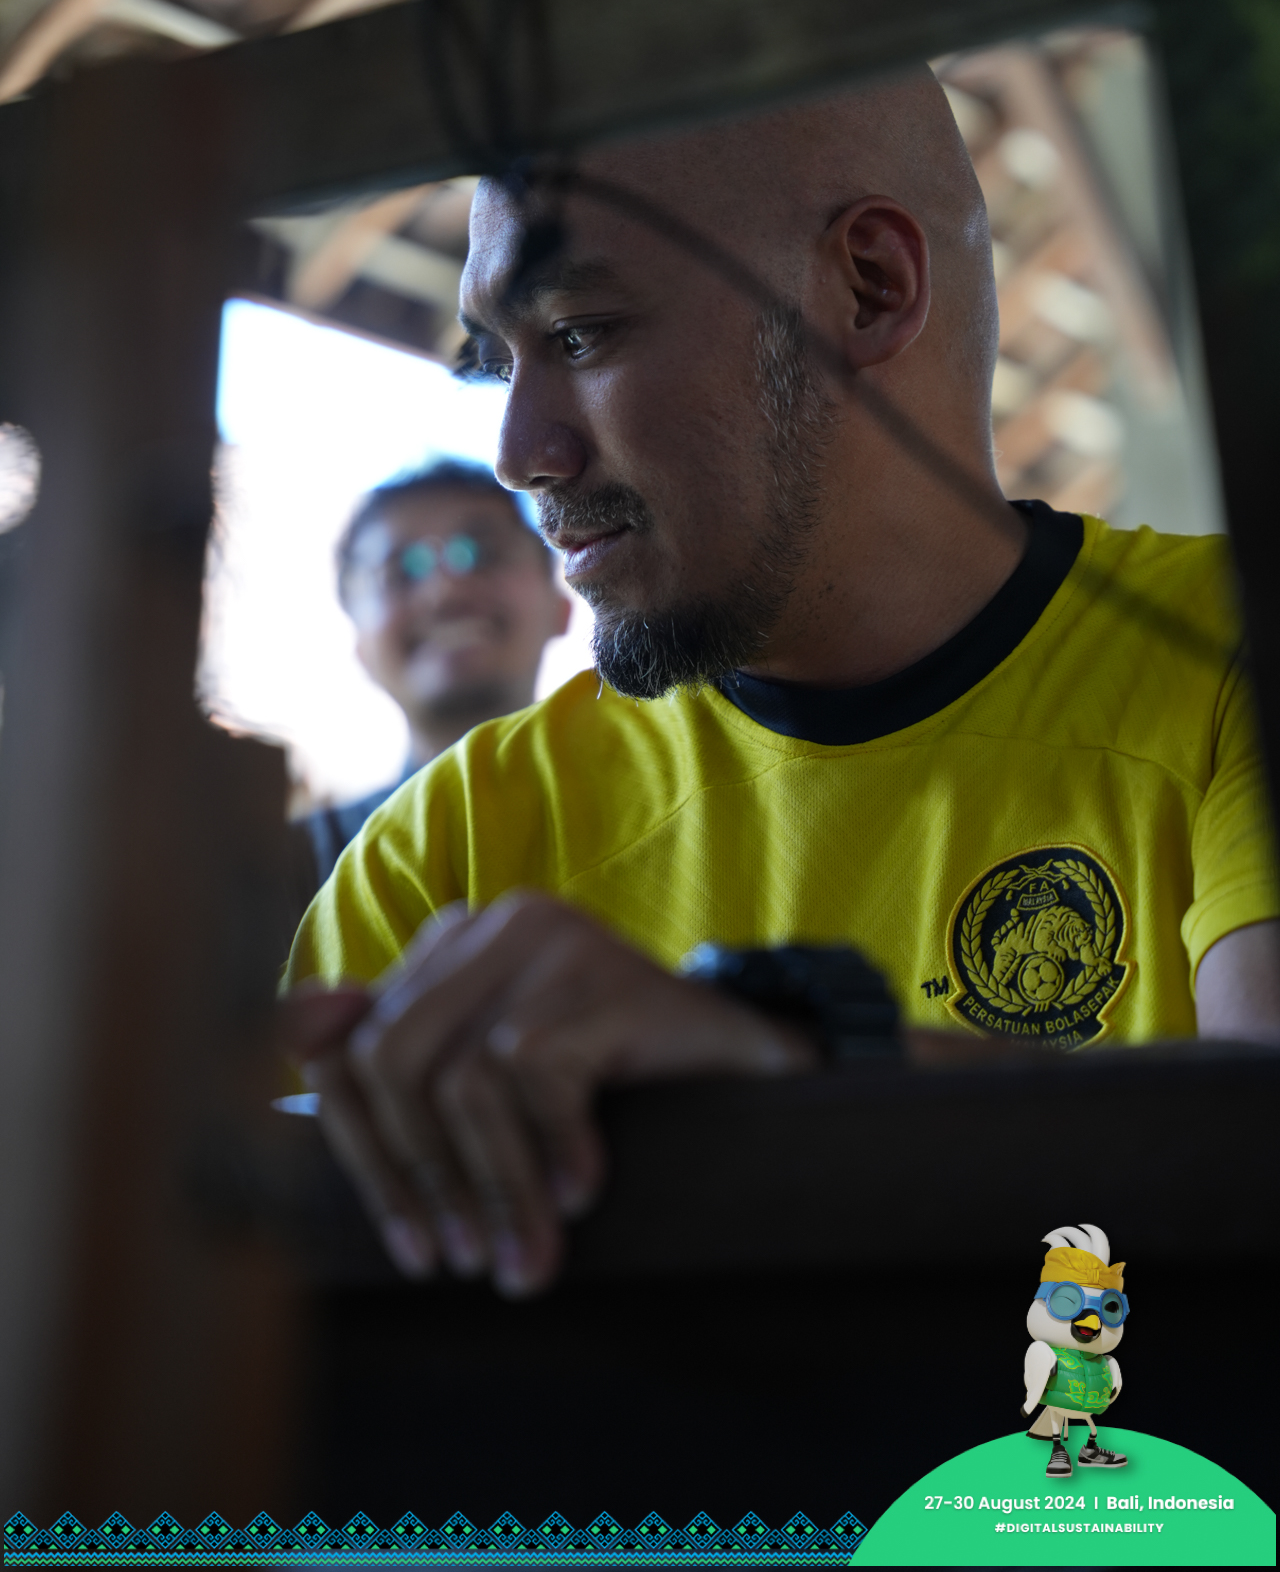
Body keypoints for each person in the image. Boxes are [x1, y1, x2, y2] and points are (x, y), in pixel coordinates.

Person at [282, 69, 1280, 1300]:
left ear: (868, 287)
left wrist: (798, 1064)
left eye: (581, 335)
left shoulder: (1224, 656)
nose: (519, 453)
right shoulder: (446, 854)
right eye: (497, 363)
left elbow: (1254, 1172)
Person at [293, 459, 572, 899]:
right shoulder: (300, 869)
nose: (446, 591)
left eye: (483, 554)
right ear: (361, 650)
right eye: (401, 572)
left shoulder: (654, 810)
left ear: (562, 607)